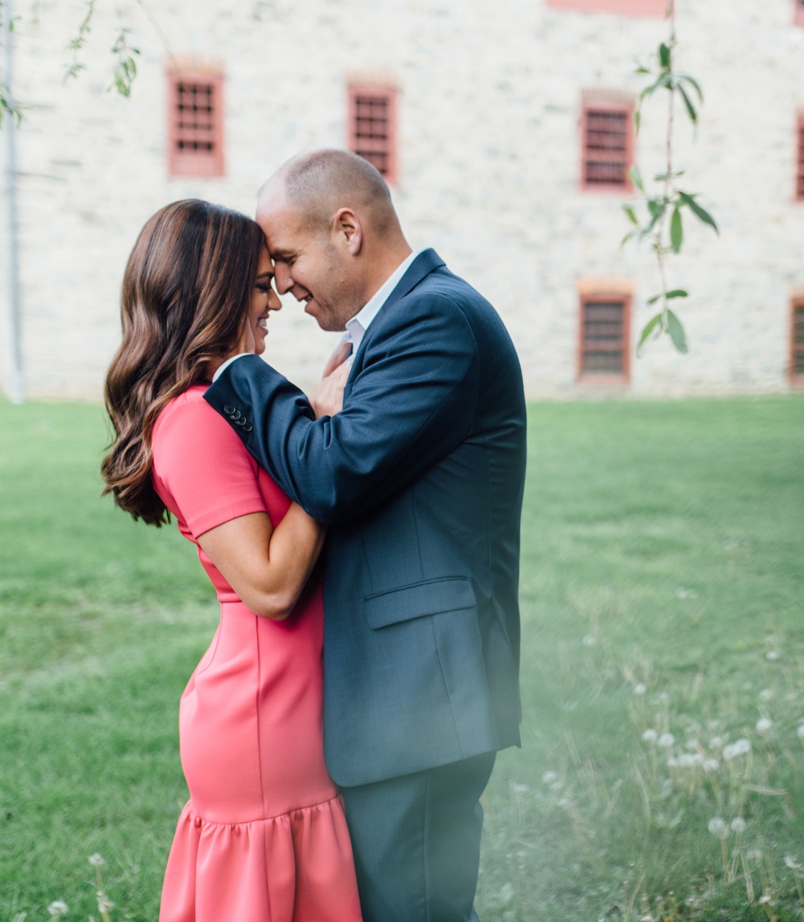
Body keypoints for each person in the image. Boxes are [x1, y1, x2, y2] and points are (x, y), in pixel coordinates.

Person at [205, 148, 526, 922]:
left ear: (347, 229)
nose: (280, 283)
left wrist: (239, 375)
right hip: (405, 698)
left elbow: (333, 474)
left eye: (285, 257)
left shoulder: (433, 319)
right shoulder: (396, 328)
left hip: (418, 698)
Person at [100, 199, 364, 921]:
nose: (274, 298)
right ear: (208, 292)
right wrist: (330, 449)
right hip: (260, 719)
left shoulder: (225, 407)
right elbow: (272, 587)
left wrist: (309, 424)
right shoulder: (189, 423)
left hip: (290, 708)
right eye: (256, 284)